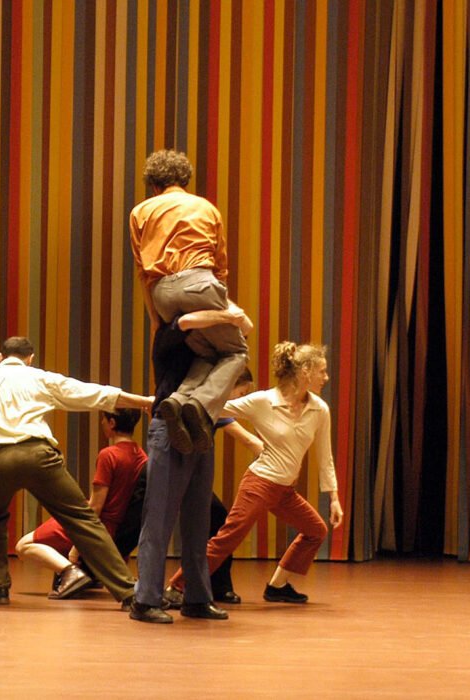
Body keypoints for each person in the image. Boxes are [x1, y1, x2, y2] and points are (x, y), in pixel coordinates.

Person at [0, 336, 153, 607]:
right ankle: (127, 592)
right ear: (30, 358)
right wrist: (143, 401)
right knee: (83, 521)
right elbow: (92, 393)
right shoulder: (38, 377)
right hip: (40, 456)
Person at [166, 342, 344, 604]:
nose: (326, 377)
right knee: (228, 538)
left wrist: (334, 498)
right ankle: (177, 587)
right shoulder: (264, 401)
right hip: (259, 484)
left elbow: (325, 456)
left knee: (316, 530)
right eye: (322, 371)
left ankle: (277, 586)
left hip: (284, 490)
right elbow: (217, 408)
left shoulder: (319, 409)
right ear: (304, 372)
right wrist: (169, 403)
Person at [130, 306, 258, 623]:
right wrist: (225, 316)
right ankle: (145, 600)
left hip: (202, 430)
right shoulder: (169, 334)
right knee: (158, 519)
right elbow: (188, 321)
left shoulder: (213, 348)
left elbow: (247, 325)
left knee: (198, 520)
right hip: (167, 428)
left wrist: (230, 318)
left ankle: (197, 598)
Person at [129, 149, 249, 454]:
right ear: (184, 178)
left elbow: (143, 272)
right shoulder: (206, 208)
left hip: (162, 295)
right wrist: (220, 303)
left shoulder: (140, 212)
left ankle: (177, 401)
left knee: (205, 354)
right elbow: (220, 267)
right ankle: (198, 404)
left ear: (154, 184)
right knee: (235, 352)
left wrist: (155, 318)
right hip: (198, 282)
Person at [14, 408, 147, 600]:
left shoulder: (109, 455)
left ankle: (71, 572)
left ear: (112, 423)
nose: (102, 423)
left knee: (22, 546)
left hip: (95, 524)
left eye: (104, 419)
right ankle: (81, 573)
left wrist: (78, 546)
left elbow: (96, 507)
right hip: (112, 526)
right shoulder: (140, 454)